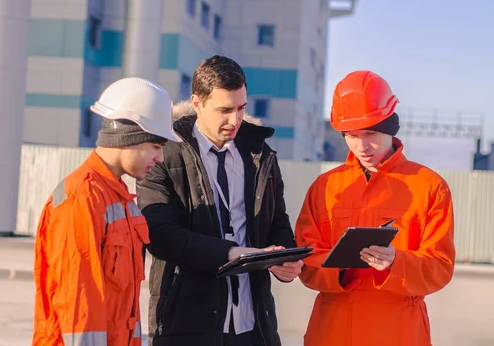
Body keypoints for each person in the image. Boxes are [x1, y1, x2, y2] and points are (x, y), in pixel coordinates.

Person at [136, 55, 303, 346]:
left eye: (241, 108)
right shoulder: (163, 153)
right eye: (224, 109)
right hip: (187, 322)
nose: (235, 119)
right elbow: (160, 235)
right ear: (197, 103)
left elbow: (277, 220)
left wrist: (284, 257)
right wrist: (230, 253)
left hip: (253, 324)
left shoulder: (260, 154)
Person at [295, 70, 455, 346]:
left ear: (391, 126)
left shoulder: (429, 187)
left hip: (399, 332)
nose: (361, 146)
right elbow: (306, 262)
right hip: (333, 331)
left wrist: (396, 261)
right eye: (351, 135)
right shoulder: (325, 188)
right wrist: (341, 269)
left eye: (369, 133)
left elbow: (440, 268)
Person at [32, 77, 181, 346]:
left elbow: (124, 309)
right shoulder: (82, 198)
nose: (160, 158)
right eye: (156, 147)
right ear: (130, 138)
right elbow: (78, 305)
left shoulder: (120, 198)